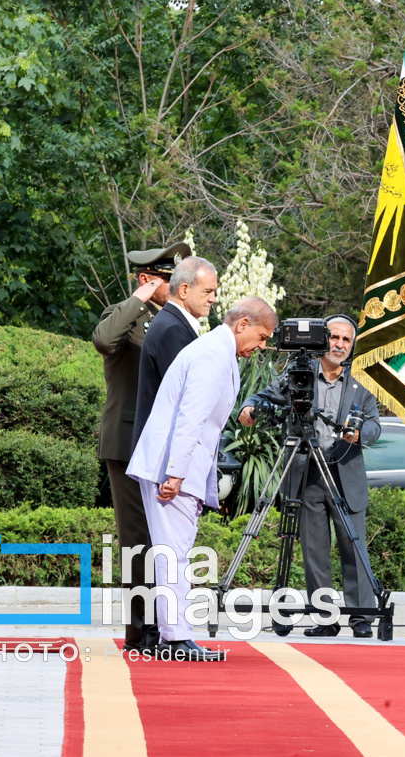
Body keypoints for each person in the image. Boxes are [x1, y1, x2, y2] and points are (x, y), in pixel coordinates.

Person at [128, 297, 277, 661]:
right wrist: (176, 472)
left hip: (179, 466)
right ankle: (176, 638)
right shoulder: (213, 353)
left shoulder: (215, 348)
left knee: (175, 554)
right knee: (173, 556)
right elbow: (190, 418)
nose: (261, 347)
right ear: (242, 324)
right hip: (174, 467)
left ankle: (175, 635)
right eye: (260, 337)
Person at [239, 315, 382, 638]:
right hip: (306, 475)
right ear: (322, 340)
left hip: (345, 474)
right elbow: (261, 398)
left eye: (346, 340)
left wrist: (359, 434)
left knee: (353, 549)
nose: (339, 345)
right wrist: (248, 409)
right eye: (334, 338)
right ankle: (325, 617)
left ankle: (360, 618)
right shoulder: (297, 375)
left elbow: (375, 425)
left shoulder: (362, 384)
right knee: (315, 552)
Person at [92, 242, 185, 652]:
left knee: (160, 539)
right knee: (137, 540)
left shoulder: (171, 321)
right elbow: (103, 340)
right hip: (128, 441)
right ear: (148, 279)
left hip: (160, 443)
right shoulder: (124, 315)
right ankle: (141, 632)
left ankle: (159, 627)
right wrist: (138, 299)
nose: (175, 283)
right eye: (167, 277)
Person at [133, 256, 219, 449]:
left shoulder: (170, 323)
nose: (213, 299)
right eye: (208, 291)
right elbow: (184, 401)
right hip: (164, 453)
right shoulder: (172, 329)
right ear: (184, 290)